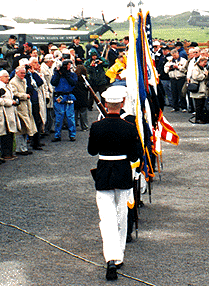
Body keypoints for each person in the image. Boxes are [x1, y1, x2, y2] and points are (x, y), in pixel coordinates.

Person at [87, 86, 143, 281]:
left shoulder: (96, 126)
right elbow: (136, 154)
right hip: (123, 172)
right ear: (121, 104)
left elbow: (92, 151)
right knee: (121, 215)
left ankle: (110, 257)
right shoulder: (129, 127)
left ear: (105, 105)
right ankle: (118, 256)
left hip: (104, 173)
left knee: (106, 219)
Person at [10, 65, 37, 155]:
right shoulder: (13, 82)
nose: (23, 75)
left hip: (26, 107)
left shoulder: (24, 80)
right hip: (19, 108)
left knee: (26, 128)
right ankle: (20, 148)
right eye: (21, 73)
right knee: (20, 129)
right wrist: (25, 96)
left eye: (24, 73)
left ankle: (24, 147)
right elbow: (14, 94)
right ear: (16, 72)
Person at [51, 59, 77, 142]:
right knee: (59, 117)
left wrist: (66, 75)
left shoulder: (72, 75)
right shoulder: (58, 74)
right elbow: (53, 83)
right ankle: (57, 135)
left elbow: (73, 83)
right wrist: (58, 73)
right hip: (59, 96)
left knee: (70, 117)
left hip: (68, 96)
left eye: (70, 65)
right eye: (67, 65)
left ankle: (72, 135)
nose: (68, 67)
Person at [0, 70, 18, 160]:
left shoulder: (8, 86)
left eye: (8, 76)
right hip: (5, 111)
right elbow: (2, 99)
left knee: (10, 133)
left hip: (11, 111)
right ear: (0, 77)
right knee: (6, 133)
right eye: (5, 76)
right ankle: (5, 153)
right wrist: (11, 102)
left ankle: (10, 151)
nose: (8, 78)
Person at [189, 56, 209, 123]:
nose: (205, 64)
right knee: (198, 106)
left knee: (201, 105)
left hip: (202, 90)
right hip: (197, 90)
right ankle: (198, 119)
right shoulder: (195, 69)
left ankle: (201, 118)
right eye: (204, 62)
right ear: (200, 62)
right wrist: (204, 75)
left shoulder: (203, 68)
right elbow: (196, 77)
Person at [73, 65, 90, 131]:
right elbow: (88, 87)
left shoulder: (74, 78)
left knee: (74, 113)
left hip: (75, 97)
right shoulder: (85, 79)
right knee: (83, 113)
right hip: (83, 98)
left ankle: (73, 126)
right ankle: (84, 126)